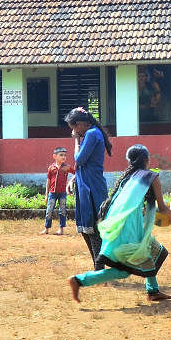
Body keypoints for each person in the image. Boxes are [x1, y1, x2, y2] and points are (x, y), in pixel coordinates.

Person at [68, 145, 171, 303]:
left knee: (146, 253)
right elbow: (162, 208)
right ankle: (79, 280)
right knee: (127, 267)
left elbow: (133, 204)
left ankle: (153, 291)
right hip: (128, 228)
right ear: (147, 160)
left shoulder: (127, 178)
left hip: (118, 224)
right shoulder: (151, 176)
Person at [65, 107, 113, 270]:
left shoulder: (91, 134)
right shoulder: (92, 134)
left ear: (79, 125)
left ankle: (99, 269)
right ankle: (98, 266)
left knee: (92, 228)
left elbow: (79, 158)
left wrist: (76, 140)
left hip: (91, 186)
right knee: (86, 228)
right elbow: (82, 164)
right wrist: (73, 178)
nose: (73, 131)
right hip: (86, 183)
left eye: (73, 128)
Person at [41, 147, 73, 235]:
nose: (63, 157)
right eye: (61, 155)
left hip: (62, 193)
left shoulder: (67, 167)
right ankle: (46, 228)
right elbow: (48, 181)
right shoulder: (51, 168)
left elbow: (76, 173)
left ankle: (61, 229)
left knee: (62, 210)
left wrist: (70, 182)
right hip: (52, 193)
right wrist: (46, 194)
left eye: (65, 155)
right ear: (54, 156)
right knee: (49, 210)